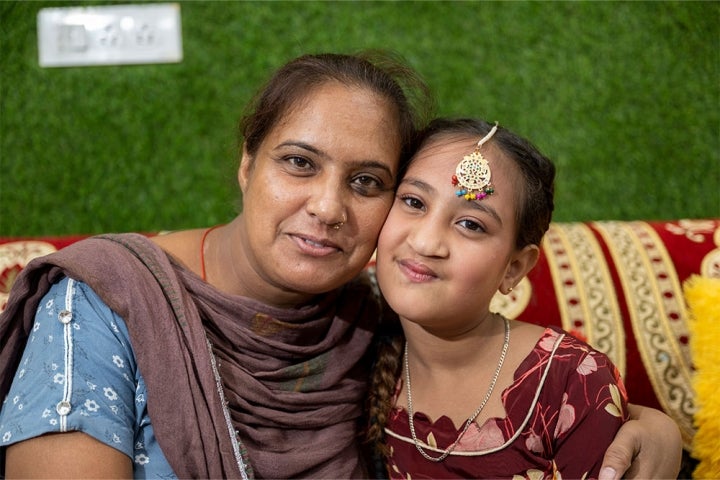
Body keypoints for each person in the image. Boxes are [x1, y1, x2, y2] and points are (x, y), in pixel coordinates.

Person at [0, 52, 680, 479]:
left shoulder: (368, 319)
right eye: (299, 162)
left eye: (366, 182)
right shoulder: (103, 305)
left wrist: (655, 427)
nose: (326, 207)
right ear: (246, 163)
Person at [364, 118, 678, 479]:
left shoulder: (569, 382)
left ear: (514, 268)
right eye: (414, 201)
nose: (424, 242)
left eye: (471, 224)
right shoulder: (355, 346)